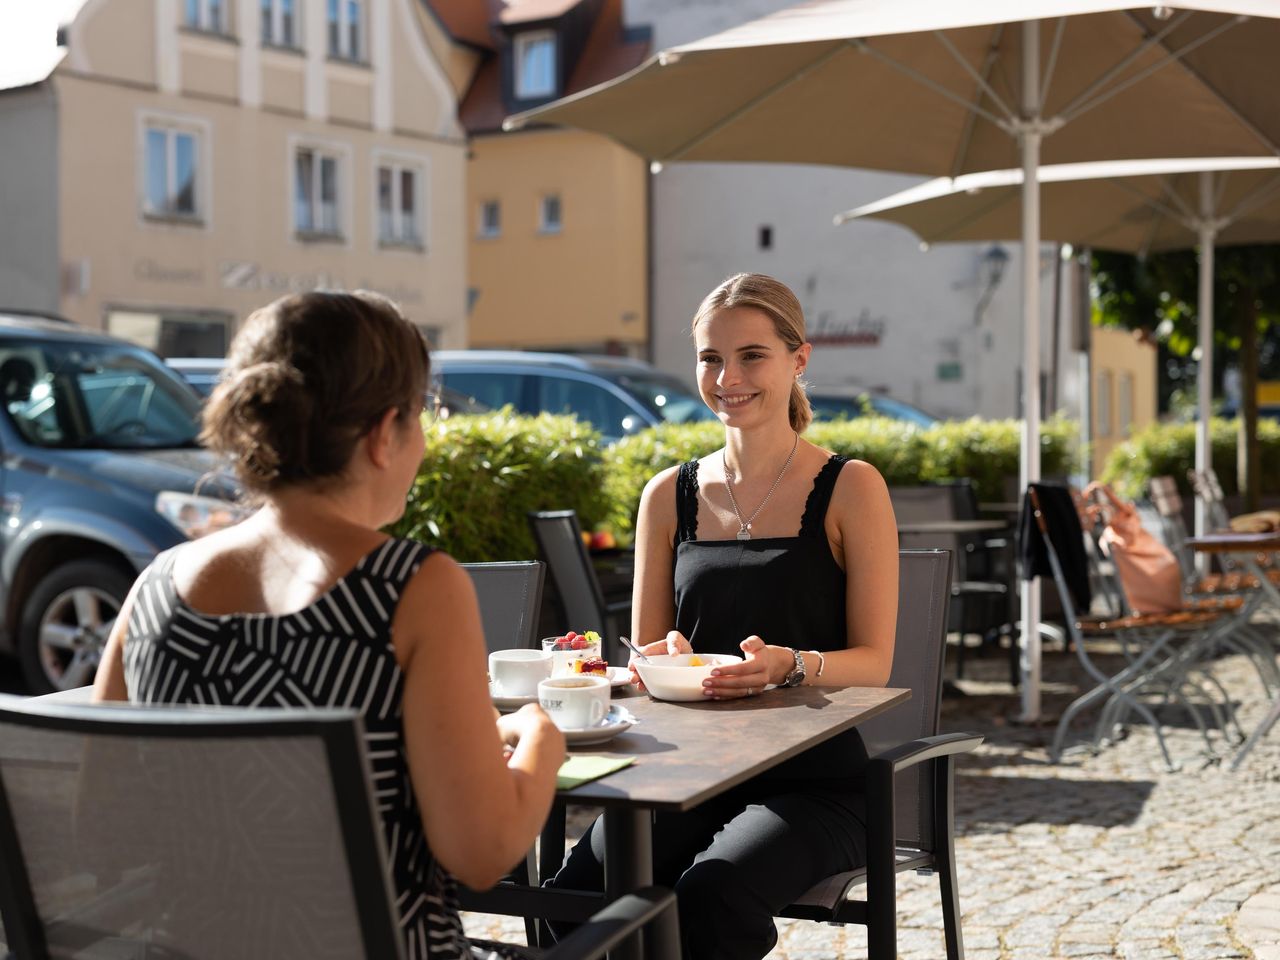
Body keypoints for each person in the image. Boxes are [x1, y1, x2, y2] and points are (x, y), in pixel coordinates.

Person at [92, 290, 565, 960]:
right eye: (421, 422)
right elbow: (482, 854)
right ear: (382, 434)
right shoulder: (413, 588)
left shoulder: (156, 587)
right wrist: (541, 735)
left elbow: (101, 825)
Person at [545, 273, 899, 959]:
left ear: (800, 359)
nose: (727, 377)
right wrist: (661, 658)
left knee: (714, 896)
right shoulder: (666, 495)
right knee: (577, 891)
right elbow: (643, 655)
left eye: (752, 356)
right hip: (687, 774)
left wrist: (789, 665)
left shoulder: (852, 487)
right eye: (710, 357)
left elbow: (875, 662)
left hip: (817, 784)